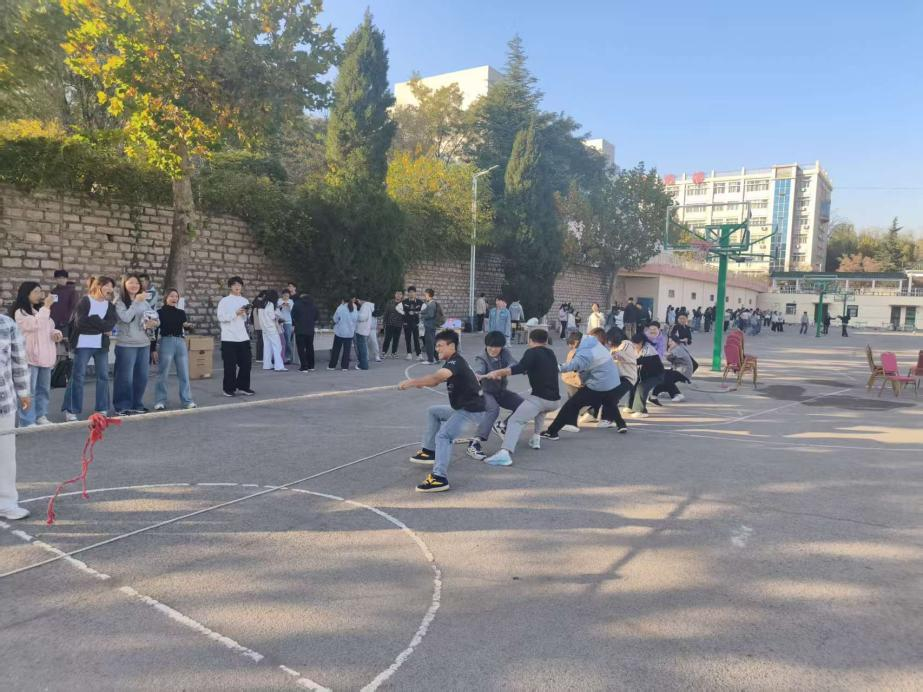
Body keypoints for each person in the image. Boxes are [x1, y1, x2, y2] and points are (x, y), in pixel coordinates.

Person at [400, 329, 486, 492]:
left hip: (472, 411)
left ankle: (439, 478)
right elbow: (434, 382)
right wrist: (421, 383)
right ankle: (429, 452)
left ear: (451, 346)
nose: (436, 349)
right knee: (434, 411)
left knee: (444, 436)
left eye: (440, 345)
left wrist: (412, 382)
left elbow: (437, 377)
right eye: (436, 346)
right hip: (465, 409)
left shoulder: (455, 362)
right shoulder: (453, 362)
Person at [483, 329, 561, 466]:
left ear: (530, 340)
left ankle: (505, 453)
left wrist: (496, 373)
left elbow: (518, 368)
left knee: (515, 420)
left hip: (540, 399)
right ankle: (536, 439)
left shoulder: (531, 352)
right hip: (555, 401)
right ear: (546, 341)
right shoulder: (550, 353)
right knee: (540, 411)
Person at [542, 329, 628, 438]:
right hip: (612, 381)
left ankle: (551, 432)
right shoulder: (592, 341)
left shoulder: (585, 351)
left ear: (576, 342)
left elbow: (574, 364)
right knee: (609, 401)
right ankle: (621, 424)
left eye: (572, 346)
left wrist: (555, 368)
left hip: (599, 383)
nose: (573, 349)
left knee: (571, 405)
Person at [62, 276, 118, 420]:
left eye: (111, 286)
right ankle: (71, 410)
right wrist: (100, 325)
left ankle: (102, 408)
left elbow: (110, 324)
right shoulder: (85, 301)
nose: (110, 289)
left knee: (103, 376)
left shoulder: (110, 306)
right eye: (106, 285)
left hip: (101, 346)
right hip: (83, 344)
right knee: (78, 376)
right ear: (98, 286)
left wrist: (93, 320)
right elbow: (80, 323)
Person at [11, 282, 62, 426]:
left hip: (45, 357)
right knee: (28, 391)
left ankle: (41, 415)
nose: (40, 295)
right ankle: (27, 420)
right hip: (30, 358)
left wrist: (56, 333)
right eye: (36, 292)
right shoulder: (20, 312)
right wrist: (46, 307)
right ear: (26, 294)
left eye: (40, 292)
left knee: (44, 390)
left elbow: (49, 327)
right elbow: (35, 325)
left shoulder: (40, 311)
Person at [467, 331, 523, 461]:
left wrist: (501, 372)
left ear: (502, 347)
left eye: (497, 347)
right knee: (493, 409)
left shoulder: (505, 353)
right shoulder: (481, 358)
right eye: (490, 346)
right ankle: (474, 444)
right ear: (486, 345)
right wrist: (478, 376)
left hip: (500, 391)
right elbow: (478, 371)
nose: (493, 349)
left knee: (523, 406)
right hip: (484, 392)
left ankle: (501, 426)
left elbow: (514, 364)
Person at [113, 274, 159, 415]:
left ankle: (136, 404)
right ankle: (122, 406)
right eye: (131, 282)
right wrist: (136, 302)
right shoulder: (120, 301)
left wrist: (154, 323)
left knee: (142, 377)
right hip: (126, 344)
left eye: (137, 283)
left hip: (144, 343)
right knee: (124, 378)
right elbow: (126, 318)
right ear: (124, 284)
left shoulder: (144, 301)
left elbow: (154, 316)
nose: (134, 285)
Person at [0, 313, 31, 519]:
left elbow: (19, 360)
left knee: (5, 455)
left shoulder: (7, 324)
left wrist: (24, 392)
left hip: (4, 402)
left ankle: (6, 502)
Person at [153, 288, 196, 410]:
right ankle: (160, 401)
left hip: (180, 342)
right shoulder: (159, 313)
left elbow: (184, 327)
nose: (174, 298)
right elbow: (155, 331)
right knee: (163, 373)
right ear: (166, 298)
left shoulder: (181, 312)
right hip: (166, 341)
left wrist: (188, 326)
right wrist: (153, 348)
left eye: (176, 296)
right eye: (171, 296)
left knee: (184, 373)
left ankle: (187, 400)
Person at [217, 276, 254, 397]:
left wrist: (246, 313)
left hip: (243, 337)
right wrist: (235, 313)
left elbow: (245, 319)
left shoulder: (244, 300)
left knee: (246, 363)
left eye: (239, 285)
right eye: (234, 285)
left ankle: (243, 387)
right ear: (230, 287)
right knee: (230, 365)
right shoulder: (224, 301)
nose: (237, 287)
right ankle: (228, 389)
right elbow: (221, 317)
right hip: (229, 338)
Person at [626, 332, 664, 419]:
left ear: (641, 343)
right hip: (644, 374)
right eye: (633, 343)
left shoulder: (649, 349)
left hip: (656, 375)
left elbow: (640, 361)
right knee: (632, 384)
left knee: (641, 387)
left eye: (636, 344)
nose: (634, 346)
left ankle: (641, 411)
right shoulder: (635, 348)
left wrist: (626, 360)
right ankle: (630, 406)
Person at [652, 335, 695, 404]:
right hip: (678, 369)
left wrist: (660, 352)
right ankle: (654, 395)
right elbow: (670, 358)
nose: (669, 343)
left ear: (676, 342)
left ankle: (678, 394)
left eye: (671, 341)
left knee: (667, 378)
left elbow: (668, 355)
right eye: (669, 341)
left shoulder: (678, 348)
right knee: (662, 375)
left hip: (684, 371)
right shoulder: (676, 348)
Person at [257, 289, 286, 371]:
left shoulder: (261, 304)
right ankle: (279, 366)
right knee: (277, 346)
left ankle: (267, 365)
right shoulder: (270, 304)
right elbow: (272, 317)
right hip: (271, 328)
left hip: (264, 328)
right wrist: (278, 317)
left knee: (267, 346)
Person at [291, 293, 318, 372]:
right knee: (310, 347)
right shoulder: (313, 305)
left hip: (300, 329)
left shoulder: (297, 304)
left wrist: (296, 322)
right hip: (310, 329)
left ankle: (304, 366)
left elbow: (293, 315)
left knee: (301, 348)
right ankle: (311, 366)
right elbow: (316, 317)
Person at [328, 299, 357, 371]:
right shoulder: (354, 307)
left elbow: (335, 319)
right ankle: (345, 367)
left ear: (343, 300)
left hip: (340, 332)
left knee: (336, 350)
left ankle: (332, 366)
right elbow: (356, 319)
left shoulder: (340, 307)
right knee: (347, 350)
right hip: (349, 332)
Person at [50, 269, 78, 337]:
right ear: (56, 279)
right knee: (53, 341)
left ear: (66, 279)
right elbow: (52, 306)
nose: (61, 280)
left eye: (63, 278)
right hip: (53, 322)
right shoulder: (54, 291)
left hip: (65, 324)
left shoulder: (72, 291)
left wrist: (66, 321)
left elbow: (74, 307)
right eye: (59, 278)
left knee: (64, 341)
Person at [402, 286, 423, 361]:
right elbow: (401, 312)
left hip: (416, 323)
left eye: (413, 292)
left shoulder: (419, 302)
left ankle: (419, 354)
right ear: (408, 293)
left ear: (415, 293)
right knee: (408, 339)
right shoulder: (404, 302)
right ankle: (409, 354)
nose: (411, 294)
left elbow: (423, 311)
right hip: (407, 324)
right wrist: (403, 321)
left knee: (416, 339)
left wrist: (418, 315)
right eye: (410, 292)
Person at [420, 289, 441, 365]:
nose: (424, 296)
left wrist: (421, 316)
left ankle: (430, 360)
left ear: (429, 294)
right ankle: (437, 358)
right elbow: (425, 311)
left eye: (425, 294)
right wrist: (419, 312)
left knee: (429, 343)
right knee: (432, 342)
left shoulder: (431, 304)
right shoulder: (430, 303)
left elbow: (430, 315)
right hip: (430, 325)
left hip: (430, 326)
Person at [382, 290, 404, 358]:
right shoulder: (390, 302)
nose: (398, 295)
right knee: (387, 339)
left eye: (400, 294)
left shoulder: (403, 304)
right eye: (397, 294)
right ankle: (384, 352)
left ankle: (394, 353)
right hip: (390, 324)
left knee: (396, 340)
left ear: (402, 296)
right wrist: (384, 323)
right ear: (395, 295)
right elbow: (386, 313)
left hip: (398, 324)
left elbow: (405, 314)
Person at [354, 297, 373, 370]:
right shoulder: (368, 306)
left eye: (358, 300)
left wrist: (356, 313)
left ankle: (363, 365)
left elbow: (362, 317)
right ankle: (363, 363)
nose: (358, 302)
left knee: (362, 348)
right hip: (364, 329)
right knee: (363, 347)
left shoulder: (365, 306)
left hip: (361, 329)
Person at [277, 290, 295, 364]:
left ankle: (288, 357)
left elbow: (293, 311)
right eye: (284, 295)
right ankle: (281, 356)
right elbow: (277, 310)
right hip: (280, 322)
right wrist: (281, 306)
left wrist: (289, 306)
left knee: (288, 339)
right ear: (282, 295)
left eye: (287, 296)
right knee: (281, 340)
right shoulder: (279, 301)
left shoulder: (291, 301)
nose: (286, 297)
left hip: (288, 322)